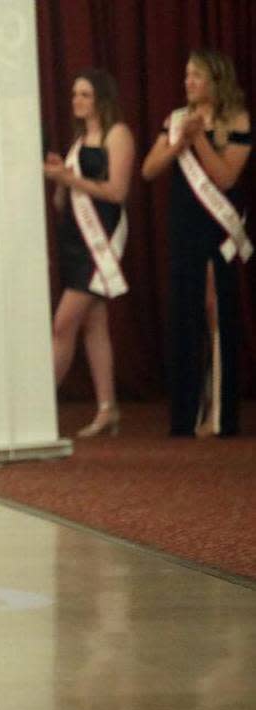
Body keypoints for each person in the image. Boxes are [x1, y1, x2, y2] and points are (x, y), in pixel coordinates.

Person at [142, 49, 251, 437]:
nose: (188, 82)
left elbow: (225, 179)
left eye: (197, 76)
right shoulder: (174, 120)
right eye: (187, 75)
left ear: (215, 81)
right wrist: (176, 143)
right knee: (186, 316)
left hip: (216, 228)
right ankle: (186, 414)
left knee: (215, 312)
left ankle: (220, 413)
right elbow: (149, 169)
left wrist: (198, 140)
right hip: (184, 225)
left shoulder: (236, 119)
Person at [43, 69, 136, 437]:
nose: (77, 100)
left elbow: (116, 192)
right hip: (74, 240)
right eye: (74, 94)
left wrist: (70, 180)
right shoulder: (80, 140)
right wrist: (60, 181)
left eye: (84, 94)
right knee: (94, 326)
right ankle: (107, 408)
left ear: (101, 97)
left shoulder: (118, 134)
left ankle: (37, 408)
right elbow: (65, 197)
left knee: (61, 325)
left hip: (100, 243)